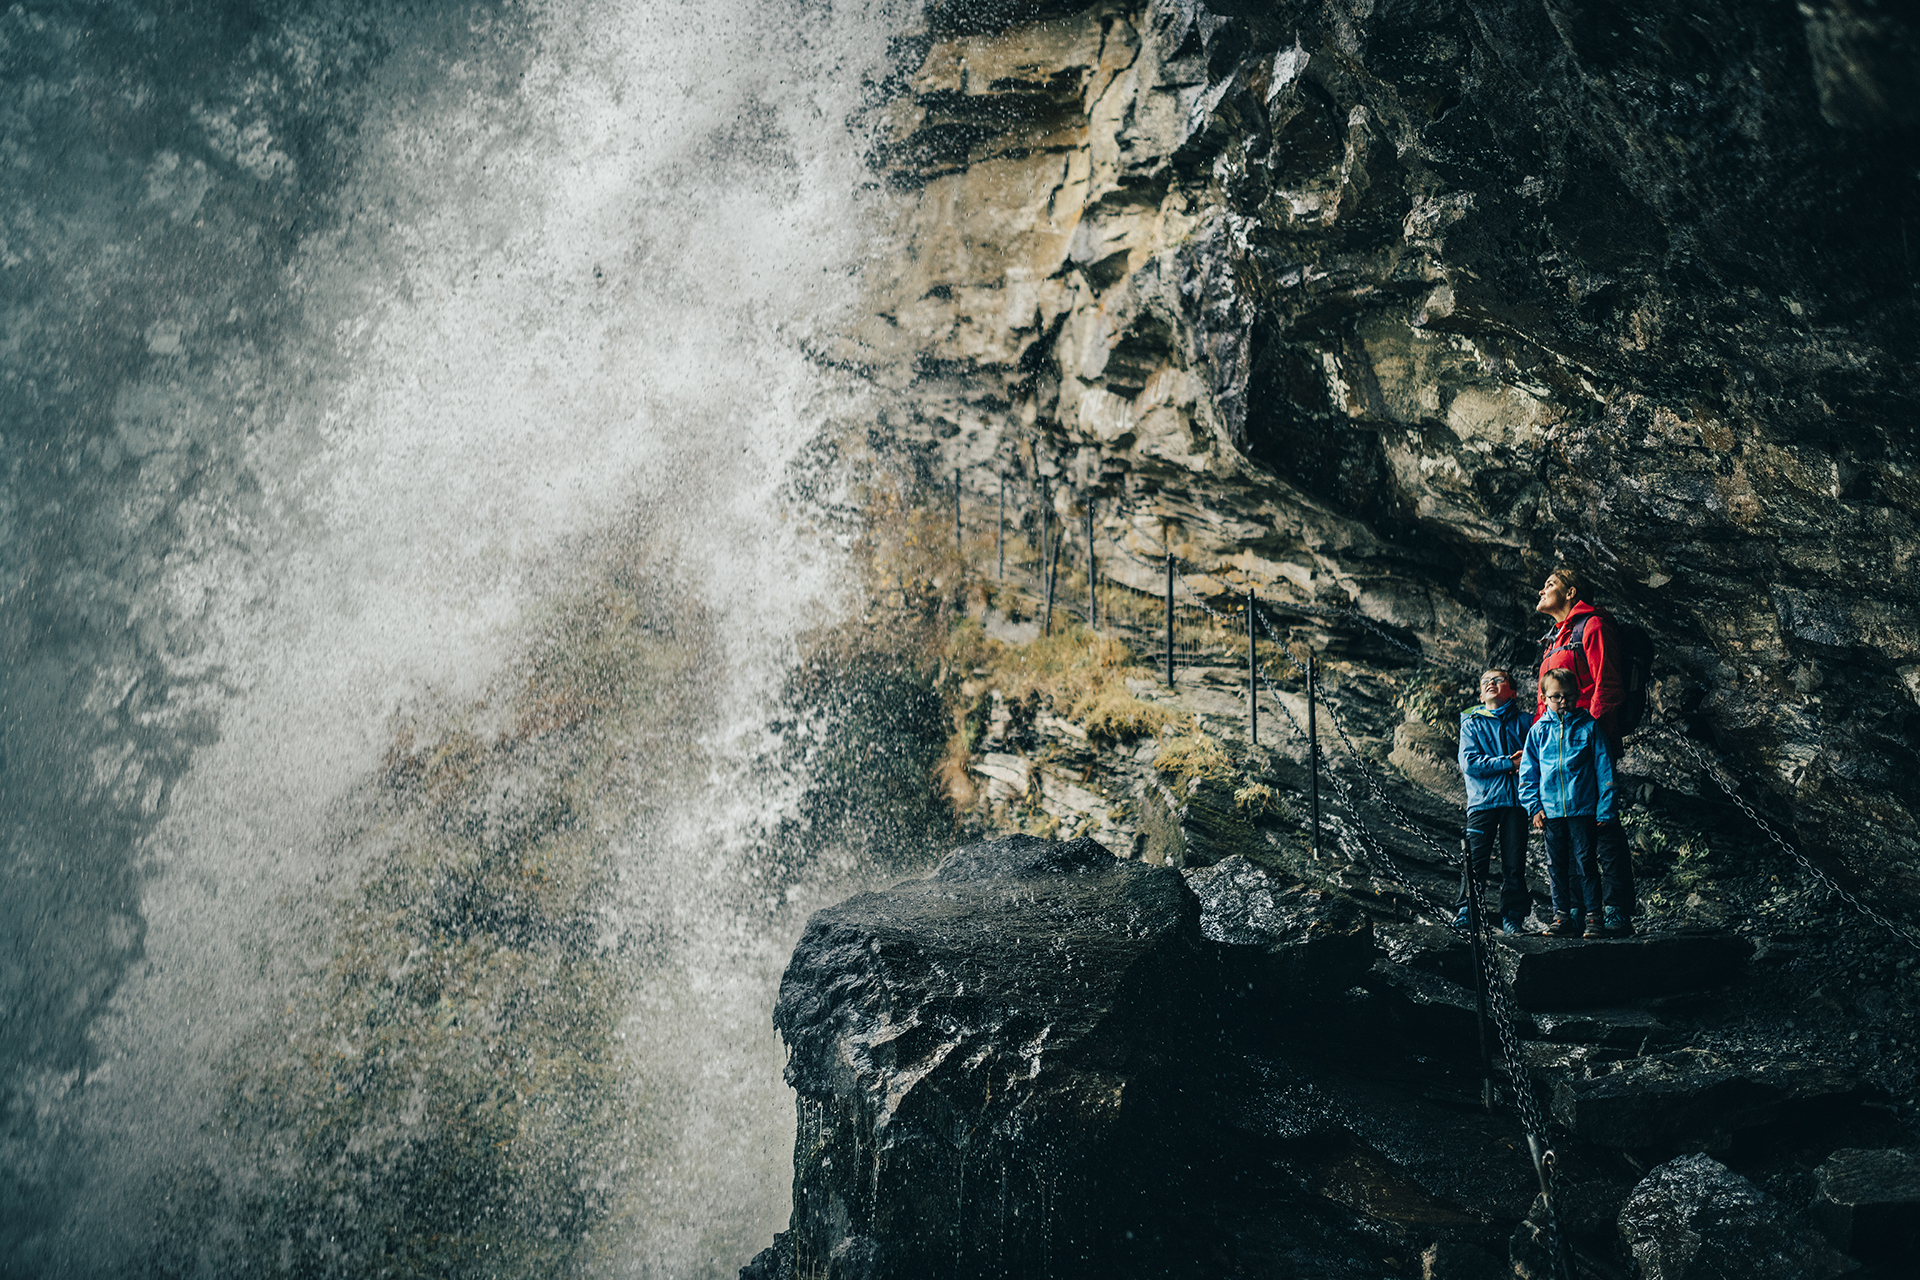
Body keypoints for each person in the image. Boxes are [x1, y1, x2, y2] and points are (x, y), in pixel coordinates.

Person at [1534, 565, 1634, 936]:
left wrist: (1582, 733)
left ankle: (1615, 911)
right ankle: (1576, 912)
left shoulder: (1593, 626)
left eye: (1551, 584)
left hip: (1590, 746)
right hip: (1555, 751)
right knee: (1565, 832)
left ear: (1572, 592)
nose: (1542, 589)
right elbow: (1545, 703)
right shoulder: (1554, 639)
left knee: (1602, 827)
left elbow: (1607, 687)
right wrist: (1536, 743)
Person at [1519, 668, 1618, 938]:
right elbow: (1528, 773)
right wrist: (1534, 807)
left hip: (1583, 809)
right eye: (1556, 697)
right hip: (1550, 812)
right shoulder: (1538, 732)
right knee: (1556, 864)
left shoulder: (1589, 727)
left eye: (1569, 696)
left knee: (1586, 862)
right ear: (1544, 697)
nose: (1563, 702)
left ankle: (1594, 916)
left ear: (1577, 695)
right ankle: (1561, 915)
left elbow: (1604, 768)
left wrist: (1605, 807)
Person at [1455, 668, 1531, 934]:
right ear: (1480, 692)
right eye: (1485, 681)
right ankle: (1468, 910)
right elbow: (1469, 763)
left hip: (1515, 802)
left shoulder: (1525, 721)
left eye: (1498, 680)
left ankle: (1512, 916)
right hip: (1482, 801)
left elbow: (1533, 758)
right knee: (1475, 859)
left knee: (1514, 862)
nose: (1490, 683)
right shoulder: (1471, 721)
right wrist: (1508, 763)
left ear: (1512, 690)